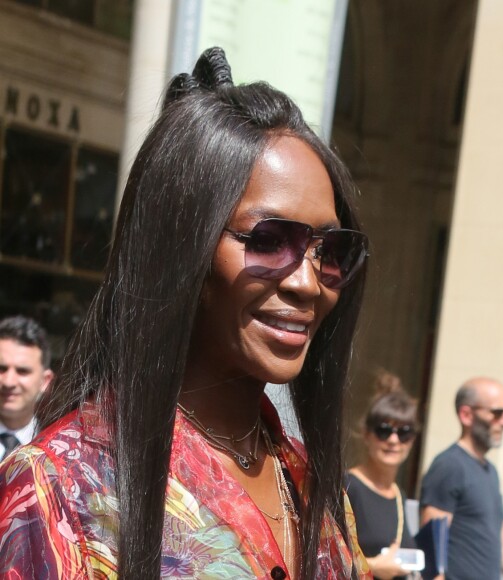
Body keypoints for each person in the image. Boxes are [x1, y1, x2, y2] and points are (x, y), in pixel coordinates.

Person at [0, 47, 371, 579]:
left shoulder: (317, 492)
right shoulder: (60, 490)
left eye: (330, 251)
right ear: (180, 247)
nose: (308, 283)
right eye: (269, 240)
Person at [419, 377, 503, 580]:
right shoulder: (449, 466)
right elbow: (432, 547)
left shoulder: (490, 471)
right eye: (497, 413)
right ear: (466, 415)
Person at [346, 369, 420, 579]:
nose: (393, 441)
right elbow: (325, 557)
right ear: (367, 435)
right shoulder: (348, 486)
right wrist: (373, 567)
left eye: (404, 432)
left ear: (412, 441)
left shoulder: (398, 494)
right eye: (384, 430)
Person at [0, 315, 53, 461]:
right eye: (2, 369)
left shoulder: (55, 451)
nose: (9, 382)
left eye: (22, 371)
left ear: (45, 381)